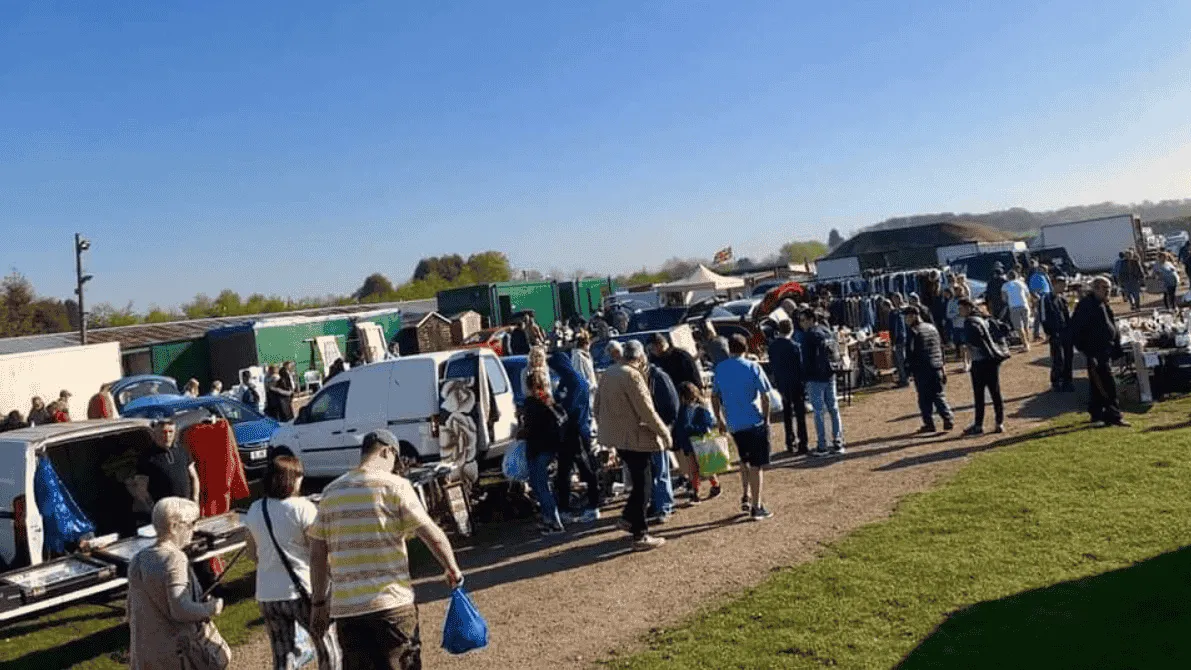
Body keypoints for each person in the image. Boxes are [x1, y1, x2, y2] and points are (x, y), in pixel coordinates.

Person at [308, 430, 464, 669]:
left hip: (348, 611)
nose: (395, 467)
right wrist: (451, 568)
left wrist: (319, 602)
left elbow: (318, 552)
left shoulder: (331, 493)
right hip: (391, 604)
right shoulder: (395, 486)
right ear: (386, 451)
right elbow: (431, 533)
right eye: (395, 460)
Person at [243, 456, 340, 670]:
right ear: (291, 479)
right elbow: (320, 553)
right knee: (326, 646)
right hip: (303, 591)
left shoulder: (255, 509)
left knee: (282, 655)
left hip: (268, 593)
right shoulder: (302, 508)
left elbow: (252, 553)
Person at [127, 497, 226, 670]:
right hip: (175, 654)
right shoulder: (174, 558)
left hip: (146, 653)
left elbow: (130, 609)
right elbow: (180, 609)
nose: (194, 529)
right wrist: (211, 608)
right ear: (174, 527)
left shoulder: (138, 558)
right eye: (191, 523)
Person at [595, 341, 672, 551]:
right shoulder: (633, 375)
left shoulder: (608, 373)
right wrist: (665, 433)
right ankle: (640, 533)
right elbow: (646, 409)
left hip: (616, 437)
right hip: (634, 437)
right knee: (644, 483)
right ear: (640, 357)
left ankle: (629, 518)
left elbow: (597, 406)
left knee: (640, 481)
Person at [711, 334, 774, 520]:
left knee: (744, 459)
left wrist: (719, 419)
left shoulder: (720, 368)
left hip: (734, 423)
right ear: (745, 349)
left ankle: (746, 495)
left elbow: (715, 396)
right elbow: (766, 396)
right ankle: (757, 506)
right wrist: (767, 418)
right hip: (753, 421)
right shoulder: (752, 366)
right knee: (756, 465)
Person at [626, 340, 678, 523]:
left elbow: (672, 404)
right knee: (651, 471)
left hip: (657, 428)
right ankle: (657, 504)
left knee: (661, 470)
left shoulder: (658, 377)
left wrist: (666, 426)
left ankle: (664, 506)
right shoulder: (634, 378)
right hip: (642, 431)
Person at [548, 351, 602, 524]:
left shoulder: (577, 382)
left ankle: (594, 505)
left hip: (577, 431)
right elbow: (558, 399)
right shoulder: (565, 381)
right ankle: (564, 507)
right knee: (563, 471)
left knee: (586, 468)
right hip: (566, 433)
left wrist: (559, 407)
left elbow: (571, 408)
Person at [1071, 277, 1129, 427]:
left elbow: (1110, 326)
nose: (1108, 291)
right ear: (1095, 288)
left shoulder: (1102, 304)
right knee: (1107, 385)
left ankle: (1097, 414)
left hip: (1105, 350)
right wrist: (1087, 352)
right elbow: (1075, 331)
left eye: (1109, 288)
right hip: (1095, 352)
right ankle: (1114, 415)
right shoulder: (1086, 305)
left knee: (1097, 385)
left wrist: (1116, 346)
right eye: (1104, 288)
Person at [523, 370, 567, 534]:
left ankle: (553, 521)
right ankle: (550, 519)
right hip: (549, 448)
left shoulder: (532, 404)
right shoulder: (548, 400)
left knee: (539, 486)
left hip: (536, 448)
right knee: (542, 485)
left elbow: (531, 427)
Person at [799, 310, 846, 456]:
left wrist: (804, 377)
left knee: (819, 411)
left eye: (803, 320)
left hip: (815, 377)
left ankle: (822, 445)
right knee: (833, 408)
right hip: (830, 374)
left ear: (811, 319)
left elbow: (805, 360)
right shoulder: (826, 330)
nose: (801, 323)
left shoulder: (808, 336)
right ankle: (838, 441)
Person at [960, 299, 1009, 436]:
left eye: (962, 308)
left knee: (979, 395)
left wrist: (968, 347)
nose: (960, 311)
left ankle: (978, 425)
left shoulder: (970, 322)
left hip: (979, 362)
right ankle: (999, 422)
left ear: (969, 308)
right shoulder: (984, 319)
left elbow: (972, 342)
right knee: (995, 392)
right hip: (992, 360)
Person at [904, 306, 955, 434]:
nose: (906, 319)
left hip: (922, 368)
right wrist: (943, 366)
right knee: (938, 394)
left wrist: (908, 370)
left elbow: (910, 353)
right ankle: (947, 417)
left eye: (907, 316)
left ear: (914, 316)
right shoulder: (932, 328)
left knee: (924, 398)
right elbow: (940, 348)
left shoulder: (913, 331)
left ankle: (929, 423)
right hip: (936, 366)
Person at [674, 382, 721, 503]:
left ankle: (715, 485)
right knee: (693, 469)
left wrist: (690, 429)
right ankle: (696, 492)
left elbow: (706, 425)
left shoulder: (700, 409)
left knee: (706, 468)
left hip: (699, 442)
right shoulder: (682, 410)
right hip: (688, 444)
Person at [767, 319, 808, 454]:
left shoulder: (772, 347)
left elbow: (772, 365)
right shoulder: (795, 346)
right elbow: (801, 366)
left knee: (787, 413)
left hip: (782, 382)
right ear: (791, 330)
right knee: (800, 414)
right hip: (796, 382)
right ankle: (803, 442)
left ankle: (789, 442)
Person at [1041, 289, 1075, 392]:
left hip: (1066, 332)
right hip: (1055, 333)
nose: (1063, 285)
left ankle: (1067, 381)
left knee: (1069, 356)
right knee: (1058, 358)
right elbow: (1043, 317)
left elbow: (1067, 315)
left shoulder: (1062, 299)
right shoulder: (1046, 299)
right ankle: (1056, 382)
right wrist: (1049, 332)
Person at [1002, 271, 1032, 352]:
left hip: (1014, 306)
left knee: (1019, 327)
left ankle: (1026, 345)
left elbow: (1004, 298)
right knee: (1026, 325)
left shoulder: (1005, 285)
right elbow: (1028, 295)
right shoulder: (1021, 283)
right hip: (1024, 305)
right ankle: (1028, 341)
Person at [1027, 261, 1052, 343]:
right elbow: (1031, 288)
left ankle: (1046, 334)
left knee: (1047, 316)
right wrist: (1036, 297)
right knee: (1040, 317)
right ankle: (1037, 334)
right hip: (1040, 298)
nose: (1045, 271)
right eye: (1044, 269)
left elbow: (1049, 287)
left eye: (1046, 270)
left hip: (1048, 297)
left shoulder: (1045, 276)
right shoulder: (1035, 276)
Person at [888, 295, 909, 387]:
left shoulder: (898, 313)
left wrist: (893, 340)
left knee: (901, 360)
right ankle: (902, 378)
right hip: (901, 338)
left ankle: (904, 379)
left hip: (900, 338)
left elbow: (896, 328)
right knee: (899, 360)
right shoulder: (898, 312)